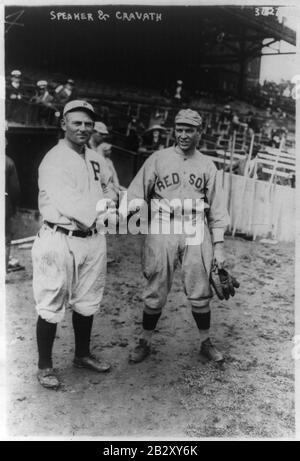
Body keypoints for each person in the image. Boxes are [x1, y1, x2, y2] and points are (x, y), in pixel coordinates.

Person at [122, 109, 229, 364]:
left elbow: (217, 207)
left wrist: (220, 246)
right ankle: (144, 341)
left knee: (201, 286)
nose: (183, 135)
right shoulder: (158, 159)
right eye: (179, 129)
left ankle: (205, 341)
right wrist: (140, 227)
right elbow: (136, 193)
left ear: (199, 133)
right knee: (156, 284)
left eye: (189, 130)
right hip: (163, 224)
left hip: (195, 224)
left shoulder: (206, 165)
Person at [31, 100, 112, 390]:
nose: (83, 128)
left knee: (88, 300)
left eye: (88, 123)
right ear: (64, 123)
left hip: (91, 239)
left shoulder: (96, 157)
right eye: (76, 122)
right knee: (51, 302)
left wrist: (108, 203)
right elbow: (72, 206)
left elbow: (110, 186)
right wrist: (105, 211)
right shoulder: (54, 159)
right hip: (59, 238)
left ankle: (82, 355)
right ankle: (45, 366)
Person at [5, 134, 21, 273]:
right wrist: (14, 207)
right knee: (5, 239)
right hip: (4, 207)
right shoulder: (8, 162)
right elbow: (15, 189)